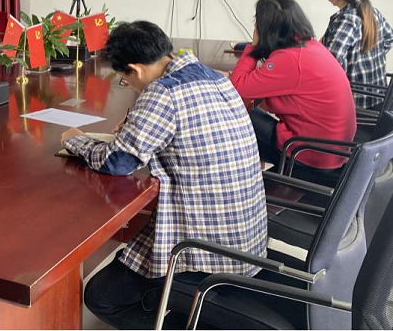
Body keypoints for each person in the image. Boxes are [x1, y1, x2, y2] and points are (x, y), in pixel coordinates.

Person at [61, 21, 266, 330]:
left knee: (101, 296)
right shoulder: (213, 76)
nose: (129, 85)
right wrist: (137, 127)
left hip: (206, 249)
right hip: (246, 240)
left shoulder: (163, 93)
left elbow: (118, 162)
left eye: (125, 79)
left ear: (135, 69)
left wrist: (76, 140)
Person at [230, 0, 356, 177]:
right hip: (334, 152)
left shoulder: (290, 58)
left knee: (235, 115)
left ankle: (245, 182)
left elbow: (236, 90)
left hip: (306, 156)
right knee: (251, 112)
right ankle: (256, 172)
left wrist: (253, 47)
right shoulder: (308, 46)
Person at [322, 0, 393, 109]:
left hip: (356, 103)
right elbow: (389, 38)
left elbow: (332, 61)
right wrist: (368, 57)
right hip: (380, 99)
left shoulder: (346, 20)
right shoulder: (373, 12)